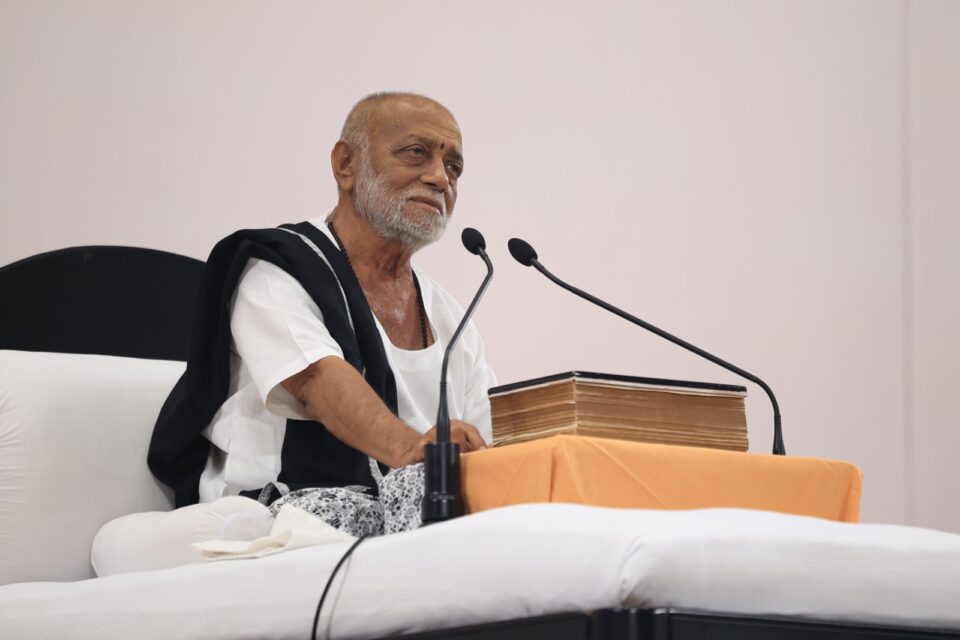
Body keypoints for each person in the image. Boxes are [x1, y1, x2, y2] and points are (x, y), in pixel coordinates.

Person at [148, 93, 495, 533]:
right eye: (416, 153)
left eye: (454, 167)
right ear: (346, 164)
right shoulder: (276, 269)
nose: (439, 178)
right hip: (280, 513)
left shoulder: (451, 318)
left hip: (409, 517)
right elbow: (316, 381)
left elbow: (489, 438)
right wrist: (416, 454)